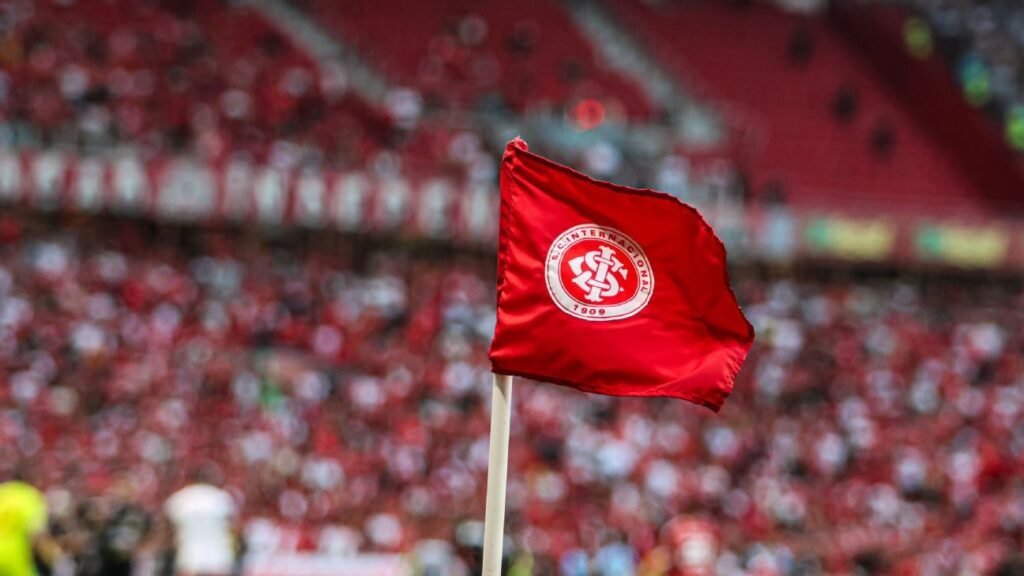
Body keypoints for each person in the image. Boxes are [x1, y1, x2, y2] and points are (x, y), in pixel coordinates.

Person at [164, 476, 237, 576]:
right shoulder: (221, 497)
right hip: (218, 554)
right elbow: (231, 524)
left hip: (189, 554)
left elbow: (169, 527)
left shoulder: (180, 497)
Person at [0, 480, 59, 576]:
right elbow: (38, 537)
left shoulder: (3, 493)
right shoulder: (29, 497)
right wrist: (56, 560)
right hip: (15, 563)